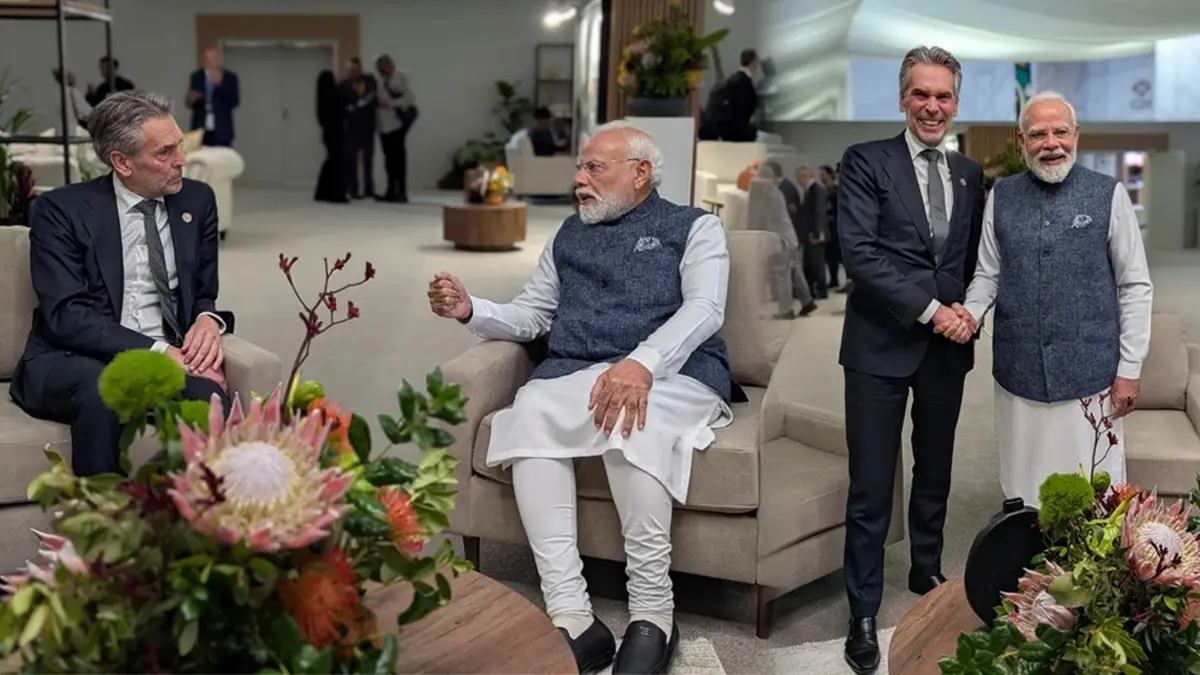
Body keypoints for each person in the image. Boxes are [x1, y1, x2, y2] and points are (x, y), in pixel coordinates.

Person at [427, 121, 733, 675]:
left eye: (595, 167)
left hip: (672, 374)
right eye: (580, 168)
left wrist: (640, 363)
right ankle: (572, 617)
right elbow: (534, 313)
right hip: (578, 370)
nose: (579, 179)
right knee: (528, 412)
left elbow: (705, 309)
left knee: (630, 418)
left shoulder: (694, 227)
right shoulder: (569, 234)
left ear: (640, 173)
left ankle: (653, 614)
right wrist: (472, 309)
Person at [835, 45, 985, 674]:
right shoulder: (866, 161)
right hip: (880, 345)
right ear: (902, 98)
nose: (932, 106)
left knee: (936, 469)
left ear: (955, 102)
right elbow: (860, 254)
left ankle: (927, 570)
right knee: (872, 484)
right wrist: (933, 310)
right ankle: (862, 609)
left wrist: (969, 313)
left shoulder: (972, 173)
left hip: (947, 350)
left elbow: (975, 258)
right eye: (921, 94)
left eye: (943, 96)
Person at [9, 91, 232, 477]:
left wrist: (209, 320)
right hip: (72, 357)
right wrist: (162, 352)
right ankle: (101, 521)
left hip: (164, 353)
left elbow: (203, 291)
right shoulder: (60, 211)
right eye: (164, 153)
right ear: (121, 162)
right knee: (102, 391)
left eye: (178, 145)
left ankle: (199, 522)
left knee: (210, 396)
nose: (182, 160)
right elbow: (67, 315)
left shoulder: (197, 201)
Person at [955, 91, 1153, 506]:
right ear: (1021, 140)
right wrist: (971, 313)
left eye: (1060, 131)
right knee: (1024, 481)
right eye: (1038, 133)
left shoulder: (1109, 195)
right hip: (1018, 369)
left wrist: (1130, 367)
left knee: (1094, 485)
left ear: (1076, 134)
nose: (1051, 143)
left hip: (1091, 372)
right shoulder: (1002, 196)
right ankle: (1027, 559)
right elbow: (988, 273)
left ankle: (1091, 569)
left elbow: (1135, 285)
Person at [752, 160, 815, 317]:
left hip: (782, 241)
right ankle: (807, 301)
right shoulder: (776, 192)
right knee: (793, 272)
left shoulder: (770, 195)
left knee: (783, 276)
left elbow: (765, 220)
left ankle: (786, 310)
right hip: (789, 238)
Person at [375, 54, 417, 203]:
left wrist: (391, 104)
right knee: (389, 160)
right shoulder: (381, 81)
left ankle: (401, 192)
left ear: (390, 65)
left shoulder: (400, 77)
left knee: (398, 159)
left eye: (383, 68)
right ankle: (390, 191)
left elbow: (410, 98)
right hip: (384, 126)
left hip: (397, 124)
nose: (381, 71)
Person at [699, 48, 759, 142]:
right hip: (735, 133)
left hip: (723, 130)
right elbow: (743, 111)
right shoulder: (744, 83)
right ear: (753, 62)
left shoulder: (732, 80)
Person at [187, 47, 240, 147]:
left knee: (221, 159)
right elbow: (191, 103)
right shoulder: (197, 76)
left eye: (213, 58)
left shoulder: (230, 77)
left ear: (218, 59)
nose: (211, 62)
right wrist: (191, 99)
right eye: (208, 59)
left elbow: (235, 100)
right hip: (200, 126)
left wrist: (219, 85)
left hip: (222, 128)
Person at [343, 58, 378, 199]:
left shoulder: (369, 80)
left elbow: (371, 95)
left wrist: (358, 105)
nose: (354, 72)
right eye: (351, 69)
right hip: (352, 127)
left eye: (356, 69)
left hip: (368, 125)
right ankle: (353, 189)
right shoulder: (345, 84)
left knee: (368, 158)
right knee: (352, 159)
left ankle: (369, 189)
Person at [314, 70, 351, 204]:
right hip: (337, 133)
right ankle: (336, 193)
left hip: (327, 133)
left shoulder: (322, 97)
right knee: (338, 163)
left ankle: (322, 191)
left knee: (331, 162)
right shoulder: (334, 95)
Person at [820, 165, 843, 289]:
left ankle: (836, 278)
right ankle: (833, 278)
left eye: (823, 174)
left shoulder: (836, 190)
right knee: (829, 254)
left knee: (835, 253)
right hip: (827, 226)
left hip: (835, 226)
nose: (822, 177)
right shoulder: (823, 190)